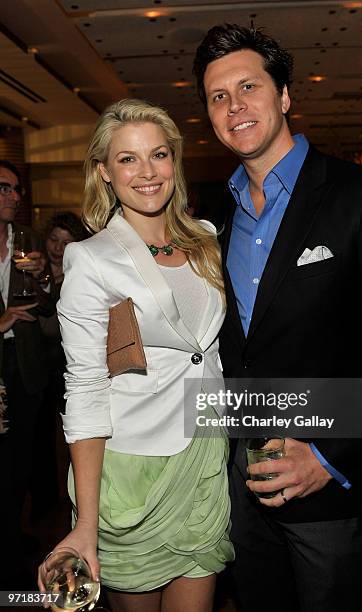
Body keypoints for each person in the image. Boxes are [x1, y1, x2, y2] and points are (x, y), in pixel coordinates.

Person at [193, 24, 362, 612]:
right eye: (218, 96)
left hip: (328, 490)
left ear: (284, 96)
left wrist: (327, 455)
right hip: (237, 484)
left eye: (248, 86)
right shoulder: (210, 217)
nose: (234, 106)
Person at [38, 99, 233, 612]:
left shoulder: (207, 240)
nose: (147, 172)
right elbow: (84, 386)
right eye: (127, 159)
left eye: (159, 155)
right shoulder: (91, 258)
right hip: (134, 473)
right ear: (103, 171)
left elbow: (210, 353)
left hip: (207, 455)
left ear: (175, 163)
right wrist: (84, 523)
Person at [0, 160, 55, 586]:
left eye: (16, 190)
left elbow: (48, 303)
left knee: (19, 461)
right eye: (5, 188)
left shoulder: (27, 239)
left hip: (25, 365)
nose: (14, 198)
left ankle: (12, 541)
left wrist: (44, 277)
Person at [30, 212, 87, 519]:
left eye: (67, 242)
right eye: (54, 239)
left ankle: (73, 500)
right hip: (37, 368)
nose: (57, 247)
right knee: (38, 439)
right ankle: (44, 502)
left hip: (69, 369)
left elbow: (52, 326)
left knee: (70, 439)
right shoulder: (30, 270)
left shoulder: (79, 274)